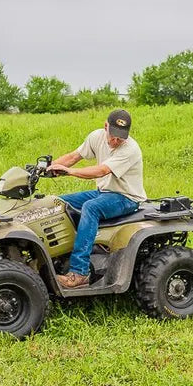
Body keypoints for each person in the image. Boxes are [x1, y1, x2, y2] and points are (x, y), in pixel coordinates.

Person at [47, 109, 147, 288]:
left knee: (91, 208)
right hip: (104, 192)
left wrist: (71, 172)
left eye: (121, 137)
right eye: (113, 135)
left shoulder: (130, 149)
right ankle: (59, 257)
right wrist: (51, 167)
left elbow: (102, 170)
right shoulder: (96, 137)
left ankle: (79, 273)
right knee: (58, 203)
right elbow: (73, 156)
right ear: (105, 126)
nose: (116, 141)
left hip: (126, 197)